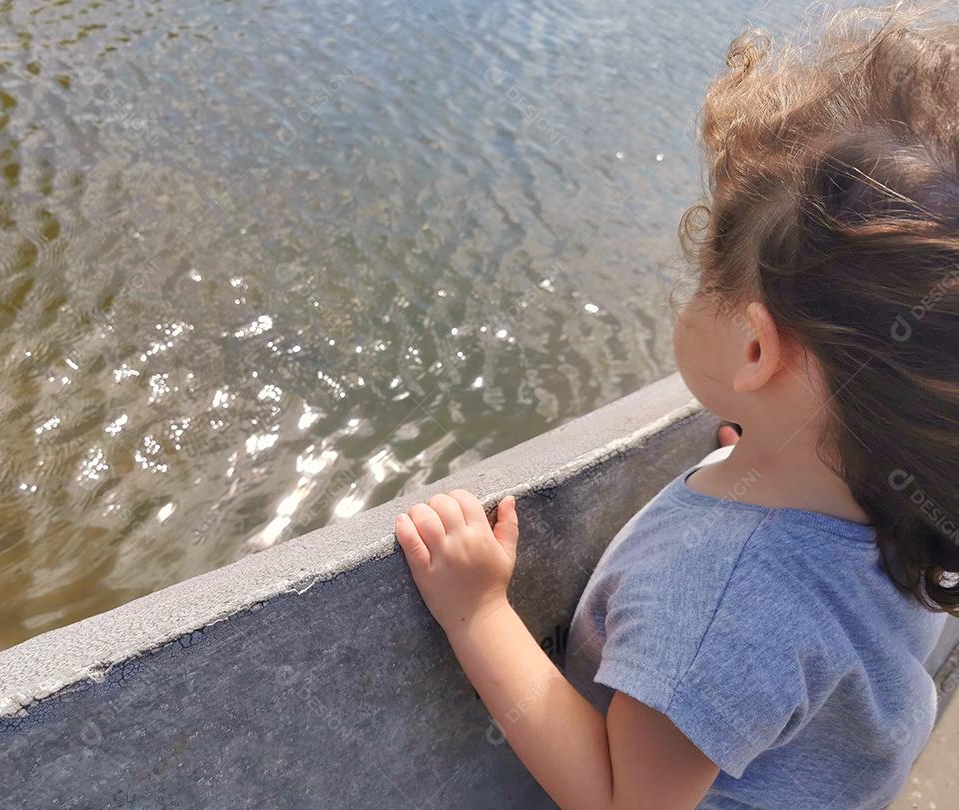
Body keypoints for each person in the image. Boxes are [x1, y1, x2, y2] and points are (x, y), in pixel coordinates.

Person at [394, 4, 958, 807]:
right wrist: (763, 444)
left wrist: (478, 612)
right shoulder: (903, 498)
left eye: (705, 275)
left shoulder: (719, 604)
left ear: (756, 353)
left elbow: (622, 799)